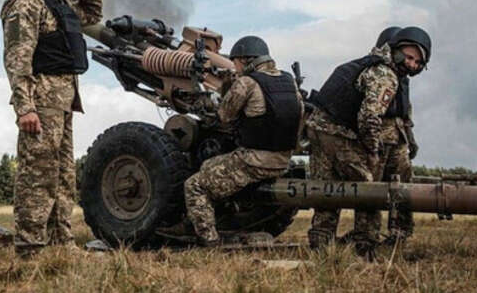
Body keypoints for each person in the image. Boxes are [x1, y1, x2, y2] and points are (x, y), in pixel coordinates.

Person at [0, 0, 103, 257]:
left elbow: (92, 16)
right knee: (38, 175)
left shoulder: (60, 3)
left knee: (62, 176)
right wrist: (25, 107)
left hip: (63, 102)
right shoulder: (27, 2)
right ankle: (30, 246)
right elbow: (18, 58)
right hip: (41, 101)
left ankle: (61, 243)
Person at [158, 36, 304, 246]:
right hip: (283, 161)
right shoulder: (289, 82)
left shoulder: (247, 83)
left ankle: (208, 239)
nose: (235, 68)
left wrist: (225, 89)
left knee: (195, 184)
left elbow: (224, 116)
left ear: (245, 60)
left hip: (254, 161)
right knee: (210, 166)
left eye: (235, 63)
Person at [307, 26, 430, 258]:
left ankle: (322, 242)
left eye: (417, 62)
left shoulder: (372, 66)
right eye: (409, 57)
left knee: (327, 186)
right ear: (395, 50)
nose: (412, 65)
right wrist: (372, 149)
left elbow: (398, 115)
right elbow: (369, 117)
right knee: (366, 186)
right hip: (337, 133)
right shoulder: (385, 75)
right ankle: (365, 243)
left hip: (320, 129)